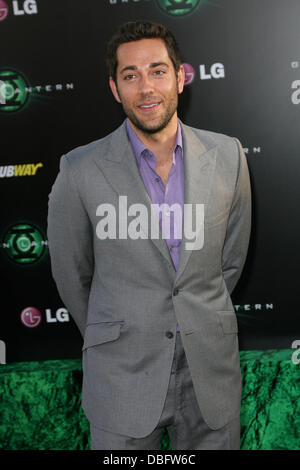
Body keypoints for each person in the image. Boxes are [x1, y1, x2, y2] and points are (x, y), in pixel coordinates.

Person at [47, 20, 251, 450]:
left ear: (180, 77)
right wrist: (119, 329)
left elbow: (229, 263)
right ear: (114, 88)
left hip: (209, 377)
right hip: (122, 376)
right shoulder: (80, 169)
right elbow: (72, 275)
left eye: (158, 71)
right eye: (130, 75)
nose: (146, 88)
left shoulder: (228, 155)